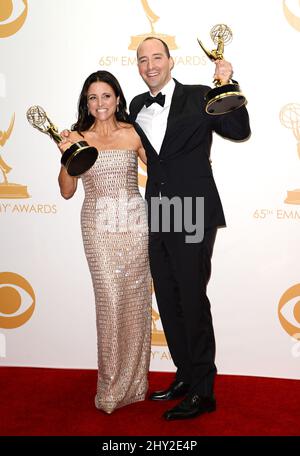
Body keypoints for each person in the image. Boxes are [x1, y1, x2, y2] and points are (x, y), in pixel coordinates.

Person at [129, 37, 251, 420]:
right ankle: (185, 374)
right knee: (167, 296)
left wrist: (227, 84)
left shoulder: (199, 94)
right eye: (142, 59)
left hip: (194, 209)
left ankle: (204, 390)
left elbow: (237, 129)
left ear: (170, 60)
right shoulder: (135, 105)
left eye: (157, 57)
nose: (150, 65)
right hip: (160, 210)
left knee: (193, 299)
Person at [58, 70, 152, 414]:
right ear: (87, 102)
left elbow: (161, 171)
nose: (100, 103)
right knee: (110, 303)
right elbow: (67, 191)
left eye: (106, 96)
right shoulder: (77, 137)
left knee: (136, 303)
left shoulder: (132, 133)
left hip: (135, 224)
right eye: (93, 97)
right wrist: (66, 154)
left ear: (117, 99)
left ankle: (137, 385)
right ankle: (111, 388)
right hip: (98, 228)